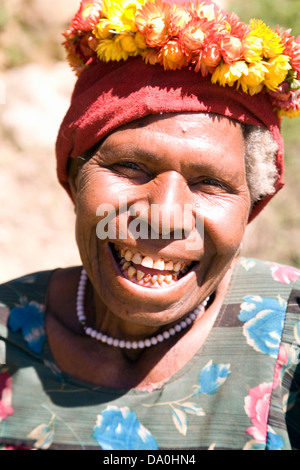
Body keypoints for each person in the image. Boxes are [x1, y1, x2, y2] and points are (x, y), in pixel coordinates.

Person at [0, 0, 300, 451]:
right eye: (130, 166)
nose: (164, 215)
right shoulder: (8, 334)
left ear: (251, 207)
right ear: (73, 179)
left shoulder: (290, 336)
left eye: (210, 183)